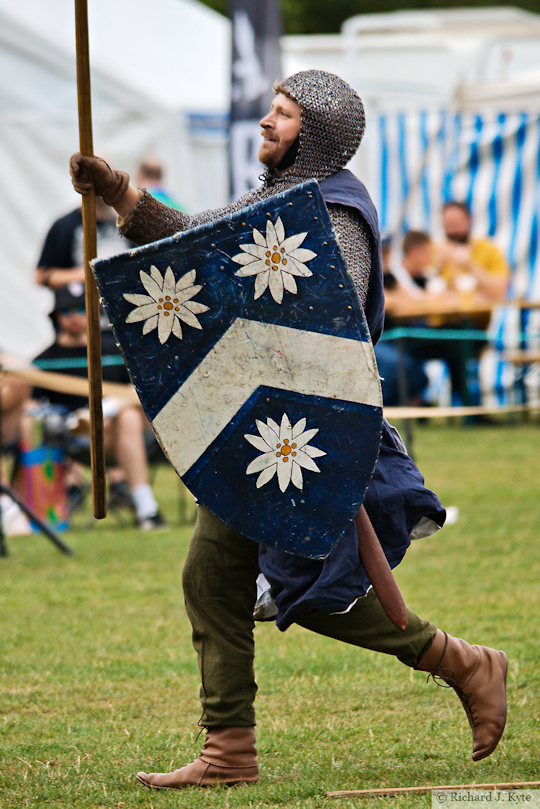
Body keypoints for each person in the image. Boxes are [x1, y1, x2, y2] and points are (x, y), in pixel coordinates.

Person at [69, 70, 507, 789]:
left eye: (283, 114)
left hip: (312, 432)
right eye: (271, 109)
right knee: (212, 576)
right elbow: (202, 237)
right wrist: (121, 192)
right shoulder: (278, 198)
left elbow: (320, 318)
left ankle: (461, 660)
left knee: (310, 591)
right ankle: (229, 748)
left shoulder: (335, 211)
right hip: (261, 425)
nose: (267, 122)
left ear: (319, 135)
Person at [32, 283, 165, 530]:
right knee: (126, 416)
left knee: (127, 415)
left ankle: (146, 508)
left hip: (125, 435)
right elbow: (32, 407)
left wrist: (110, 407)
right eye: (67, 310)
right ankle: (148, 510)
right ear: (56, 315)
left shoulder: (113, 351)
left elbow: (139, 395)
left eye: (82, 309)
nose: (75, 316)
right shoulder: (46, 359)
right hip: (75, 440)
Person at [407, 204, 511, 405]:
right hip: (436, 325)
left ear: (469, 221)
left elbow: (499, 291)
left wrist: (468, 264)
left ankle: (465, 407)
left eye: (456, 224)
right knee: (410, 341)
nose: (452, 231)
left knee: (461, 339)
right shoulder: (434, 250)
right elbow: (420, 288)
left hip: (474, 327)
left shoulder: (488, 250)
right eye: (447, 225)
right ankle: (430, 401)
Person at [374, 232, 432, 405]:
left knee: (419, 373)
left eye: (387, 251)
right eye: (381, 251)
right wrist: (396, 299)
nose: (385, 255)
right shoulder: (367, 273)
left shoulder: (390, 275)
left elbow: (415, 299)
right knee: (401, 364)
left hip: (390, 338)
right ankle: (382, 407)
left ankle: (410, 402)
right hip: (372, 339)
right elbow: (381, 301)